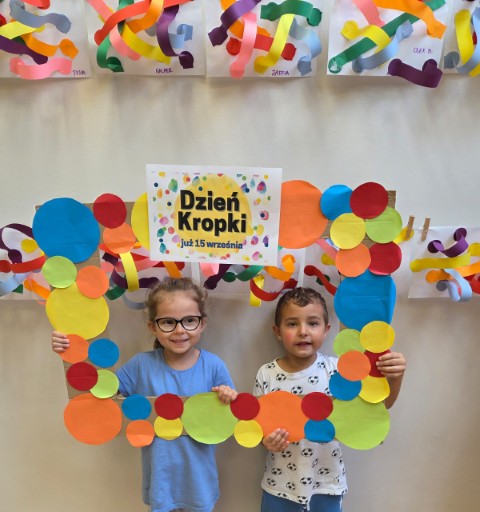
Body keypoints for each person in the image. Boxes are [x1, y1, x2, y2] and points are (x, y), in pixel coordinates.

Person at [52, 277, 237, 512]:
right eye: (168, 322)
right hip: (162, 484)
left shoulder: (213, 366)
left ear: (202, 323)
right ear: (152, 327)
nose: (180, 330)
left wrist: (228, 395)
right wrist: (72, 350)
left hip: (199, 484)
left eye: (190, 320)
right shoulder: (141, 365)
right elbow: (99, 396)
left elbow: (232, 416)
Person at [253, 287, 406, 512]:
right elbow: (255, 426)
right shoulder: (266, 373)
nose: (303, 331)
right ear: (277, 331)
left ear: (326, 330)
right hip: (279, 484)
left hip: (327, 483)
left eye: (313, 323)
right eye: (292, 324)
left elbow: (379, 408)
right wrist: (264, 440)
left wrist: (395, 378)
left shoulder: (339, 371)